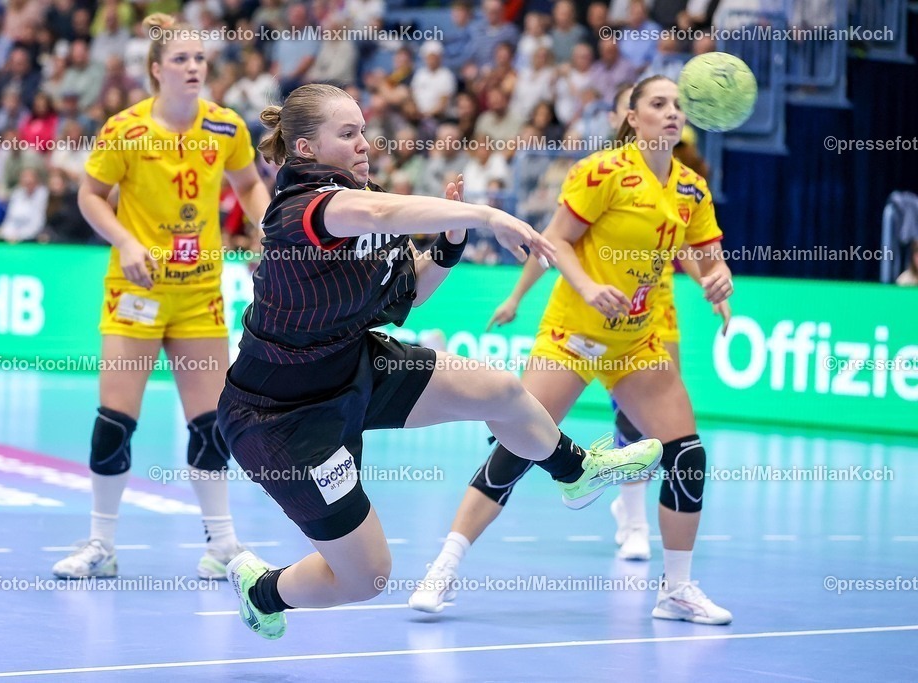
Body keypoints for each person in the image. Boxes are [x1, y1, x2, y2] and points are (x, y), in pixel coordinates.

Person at [217, 83, 665, 640]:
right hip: (282, 418)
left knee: (499, 390)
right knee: (366, 579)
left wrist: (450, 242)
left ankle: (574, 473)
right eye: (348, 133)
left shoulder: (359, 194)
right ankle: (263, 592)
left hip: (354, 367)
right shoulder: (301, 210)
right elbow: (378, 211)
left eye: (363, 129)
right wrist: (480, 214)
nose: (364, 143)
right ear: (305, 149)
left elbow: (411, 289)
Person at [410, 75, 735, 624]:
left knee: (687, 457)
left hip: (638, 340)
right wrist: (584, 287)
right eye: (658, 104)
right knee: (516, 449)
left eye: (678, 105)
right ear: (632, 118)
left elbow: (708, 255)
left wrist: (718, 279)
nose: (672, 113)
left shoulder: (691, 190)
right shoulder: (603, 172)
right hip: (574, 334)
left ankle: (676, 590)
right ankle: (443, 568)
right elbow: (553, 240)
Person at [52, 13, 271, 581]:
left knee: (212, 423)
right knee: (115, 420)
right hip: (136, 292)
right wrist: (124, 240)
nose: (194, 67)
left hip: (199, 292)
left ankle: (221, 545)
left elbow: (248, 183)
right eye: (181, 59)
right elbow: (91, 195)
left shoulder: (225, 127)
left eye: (200, 59)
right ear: (156, 71)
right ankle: (101, 543)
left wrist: (264, 228)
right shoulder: (124, 129)